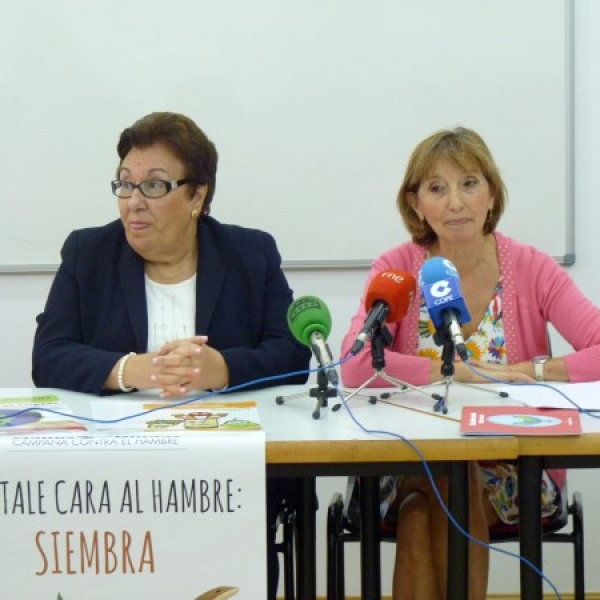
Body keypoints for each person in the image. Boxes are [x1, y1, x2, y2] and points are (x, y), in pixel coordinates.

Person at [32, 111, 311, 600]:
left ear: (197, 195)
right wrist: (128, 370)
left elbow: (292, 353)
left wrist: (223, 369)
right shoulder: (88, 253)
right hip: (112, 482)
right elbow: (48, 355)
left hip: (228, 476)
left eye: (154, 187)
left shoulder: (249, 253)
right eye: (124, 185)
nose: (133, 203)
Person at [340, 126, 600, 599]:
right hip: (406, 460)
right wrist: (454, 371)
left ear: (491, 194)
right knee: (434, 490)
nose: (455, 202)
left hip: (513, 466)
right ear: (416, 205)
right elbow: (356, 367)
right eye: (437, 188)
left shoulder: (530, 267)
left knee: (451, 487)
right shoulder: (397, 267)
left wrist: (534, 371)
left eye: (469, 183)